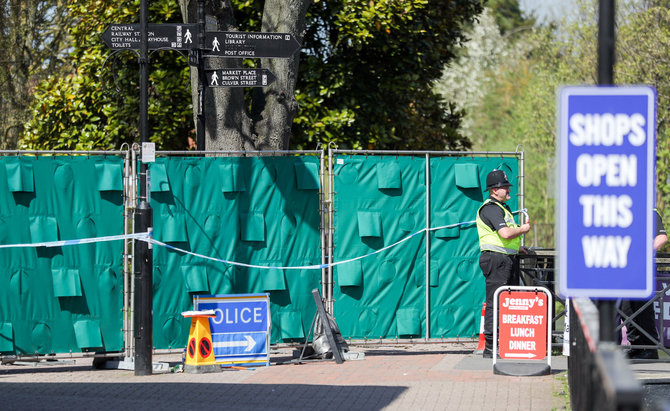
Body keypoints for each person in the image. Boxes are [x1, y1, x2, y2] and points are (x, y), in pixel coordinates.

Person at [476, 169, 531, 358]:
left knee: (507, 303)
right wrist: (523, 229)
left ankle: (505, 344)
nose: (508, 189)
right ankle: (491, 348)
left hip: (505, 258)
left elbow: (506, 238)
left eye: (508, 186)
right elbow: (505, 234)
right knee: (495, 303)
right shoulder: (491, 208)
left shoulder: (502, 208)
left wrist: (518, 249)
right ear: (494, 190)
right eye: (504, 186)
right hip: (496, 260)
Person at [621, 209, 667, 359]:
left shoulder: (650, 212)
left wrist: (642, 251)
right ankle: (636, 346)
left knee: (643, 308)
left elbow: (661, 238)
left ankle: (650, 348)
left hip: (642, 268)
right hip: (626, 268)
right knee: (627, 307)